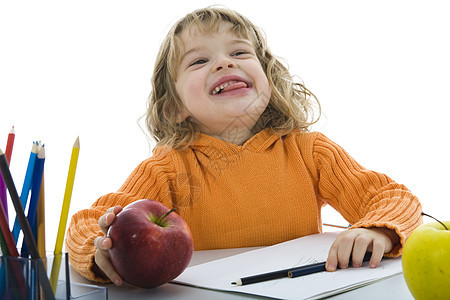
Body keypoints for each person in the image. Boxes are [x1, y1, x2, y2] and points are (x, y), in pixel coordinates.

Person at [65, 6, 422, 286]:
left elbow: (393, 197)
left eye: (240, 52)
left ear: (269, 79)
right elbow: (86, 223)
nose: (224, 62)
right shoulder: (167, 170)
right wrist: (99, 249)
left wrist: (377, 229)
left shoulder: (311, 152)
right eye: (200, 61)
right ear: (174, 108)